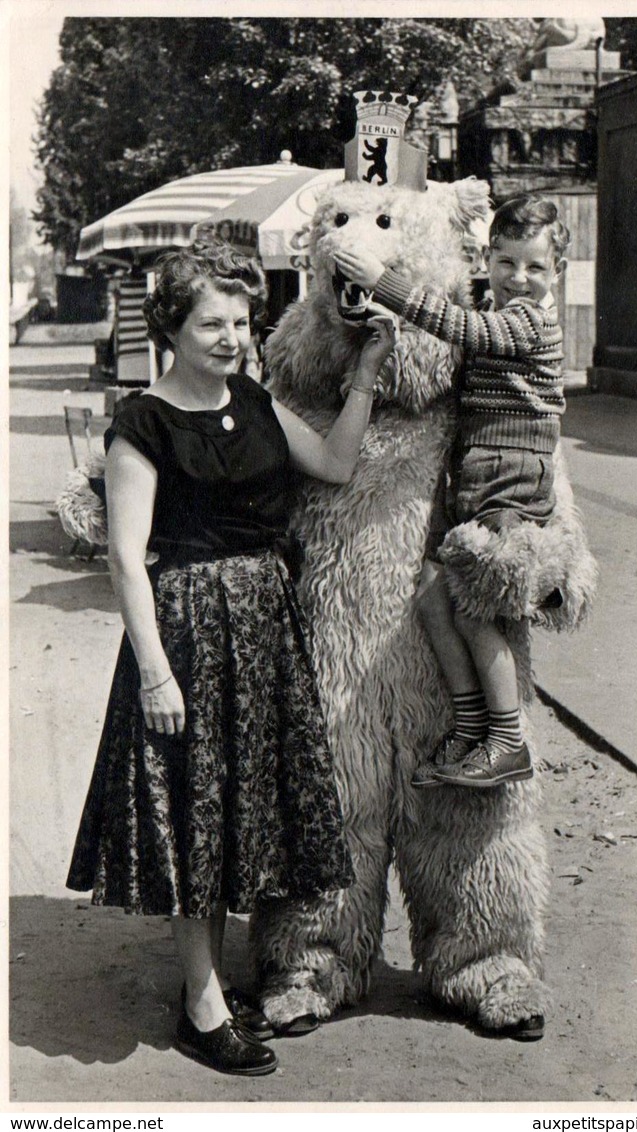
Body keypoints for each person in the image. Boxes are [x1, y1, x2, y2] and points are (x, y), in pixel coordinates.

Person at [66, 240, 397, 1076]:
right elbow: (126, 558)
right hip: (185, 634)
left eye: (241, 321)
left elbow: (335, 463)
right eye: (211, 322)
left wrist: (364, 375)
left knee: (236, 815)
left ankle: (206, 988)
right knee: (194, 813)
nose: (231, 337)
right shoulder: (141, 422)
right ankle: (204, 1005)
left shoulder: (251, 399)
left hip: (262, 632)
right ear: (171, 328)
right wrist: (154, 672)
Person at [334, 194, 569, 790]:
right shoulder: (495, 296)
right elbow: (454, 292)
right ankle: (470, 725)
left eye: (536, 268)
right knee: (432, 594)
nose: (520, 279)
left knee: (472, 606)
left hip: (513, 475)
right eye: (507, 262)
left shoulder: (529, 321)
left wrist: (382, 282)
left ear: (556, 275)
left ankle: (508, 740)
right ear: (487, 258)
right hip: (475, 471)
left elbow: (461, 326)